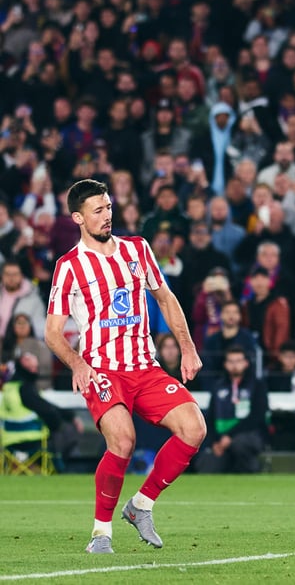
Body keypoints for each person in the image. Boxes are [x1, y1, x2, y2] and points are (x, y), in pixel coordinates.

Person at [45, 179, 207, 554]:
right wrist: (76, 363)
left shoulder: (138, 249)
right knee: (123, 440)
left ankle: (140, 506)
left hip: (144, 367)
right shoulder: (68, 267)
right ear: (78, 218)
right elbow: (53, 333)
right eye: (98, 210)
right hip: (103, 371)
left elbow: (165, 298)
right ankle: (101, 534)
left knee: (193, 428)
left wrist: (187, 347)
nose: (107, 216)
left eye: (108, 207)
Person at [196, 345, 269, 473]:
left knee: (239, 444)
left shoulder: (257, 385)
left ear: (246, 363)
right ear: (225, 364)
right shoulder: (218, 386)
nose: (235, 365)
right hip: (221, 439)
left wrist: (229, 437)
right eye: (231, 361)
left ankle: (255, 471)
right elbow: (211, 416)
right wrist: (215, 441)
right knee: (206, 464)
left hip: (251, 435)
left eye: (238, 361)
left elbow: (257, 416)